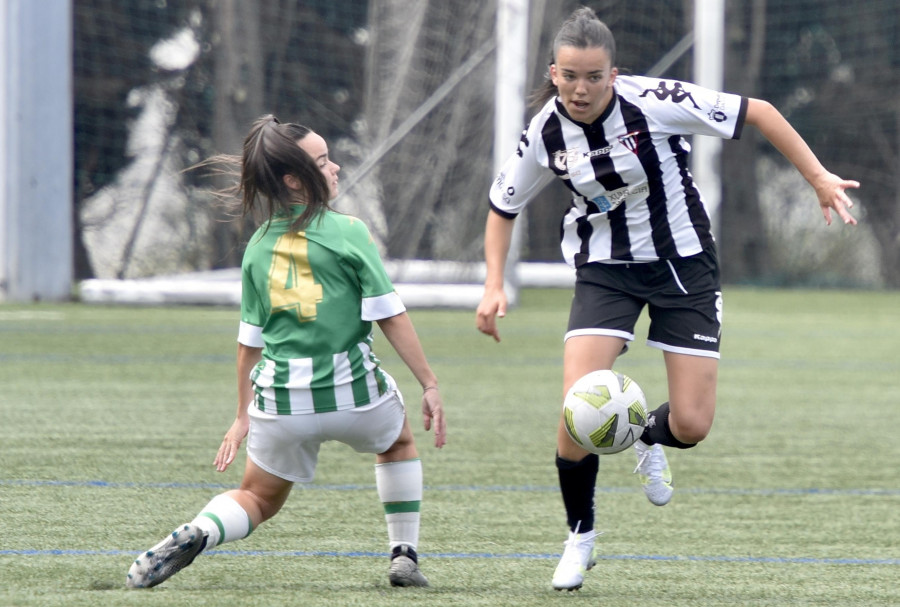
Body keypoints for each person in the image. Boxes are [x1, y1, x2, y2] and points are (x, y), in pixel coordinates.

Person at [475, 7, 858, 592]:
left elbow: (760, 113)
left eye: (594, 76)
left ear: (614, 73)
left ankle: (648, 436)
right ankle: (580, 537)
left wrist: (817, 177)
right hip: (605, 270)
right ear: (553, 73)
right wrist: (493, 283)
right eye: (570, 76)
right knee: (578, 409)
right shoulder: (545, 132)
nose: (581, 89)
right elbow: (503, 207)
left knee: (694, 423)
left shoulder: (654, 101)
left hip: (684, 264)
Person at [127, 115, 447, 590]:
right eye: (323, 161)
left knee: (257, 497)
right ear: (296, 180)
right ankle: (404, 553)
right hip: (352, 391)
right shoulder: (349, 232)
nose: (335, 167)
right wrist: (430, 384)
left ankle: (202, 530)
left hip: (281, 400)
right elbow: (391, 316)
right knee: (397, 442)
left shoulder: (257, 247)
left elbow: (248, 346)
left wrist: (241, 416)